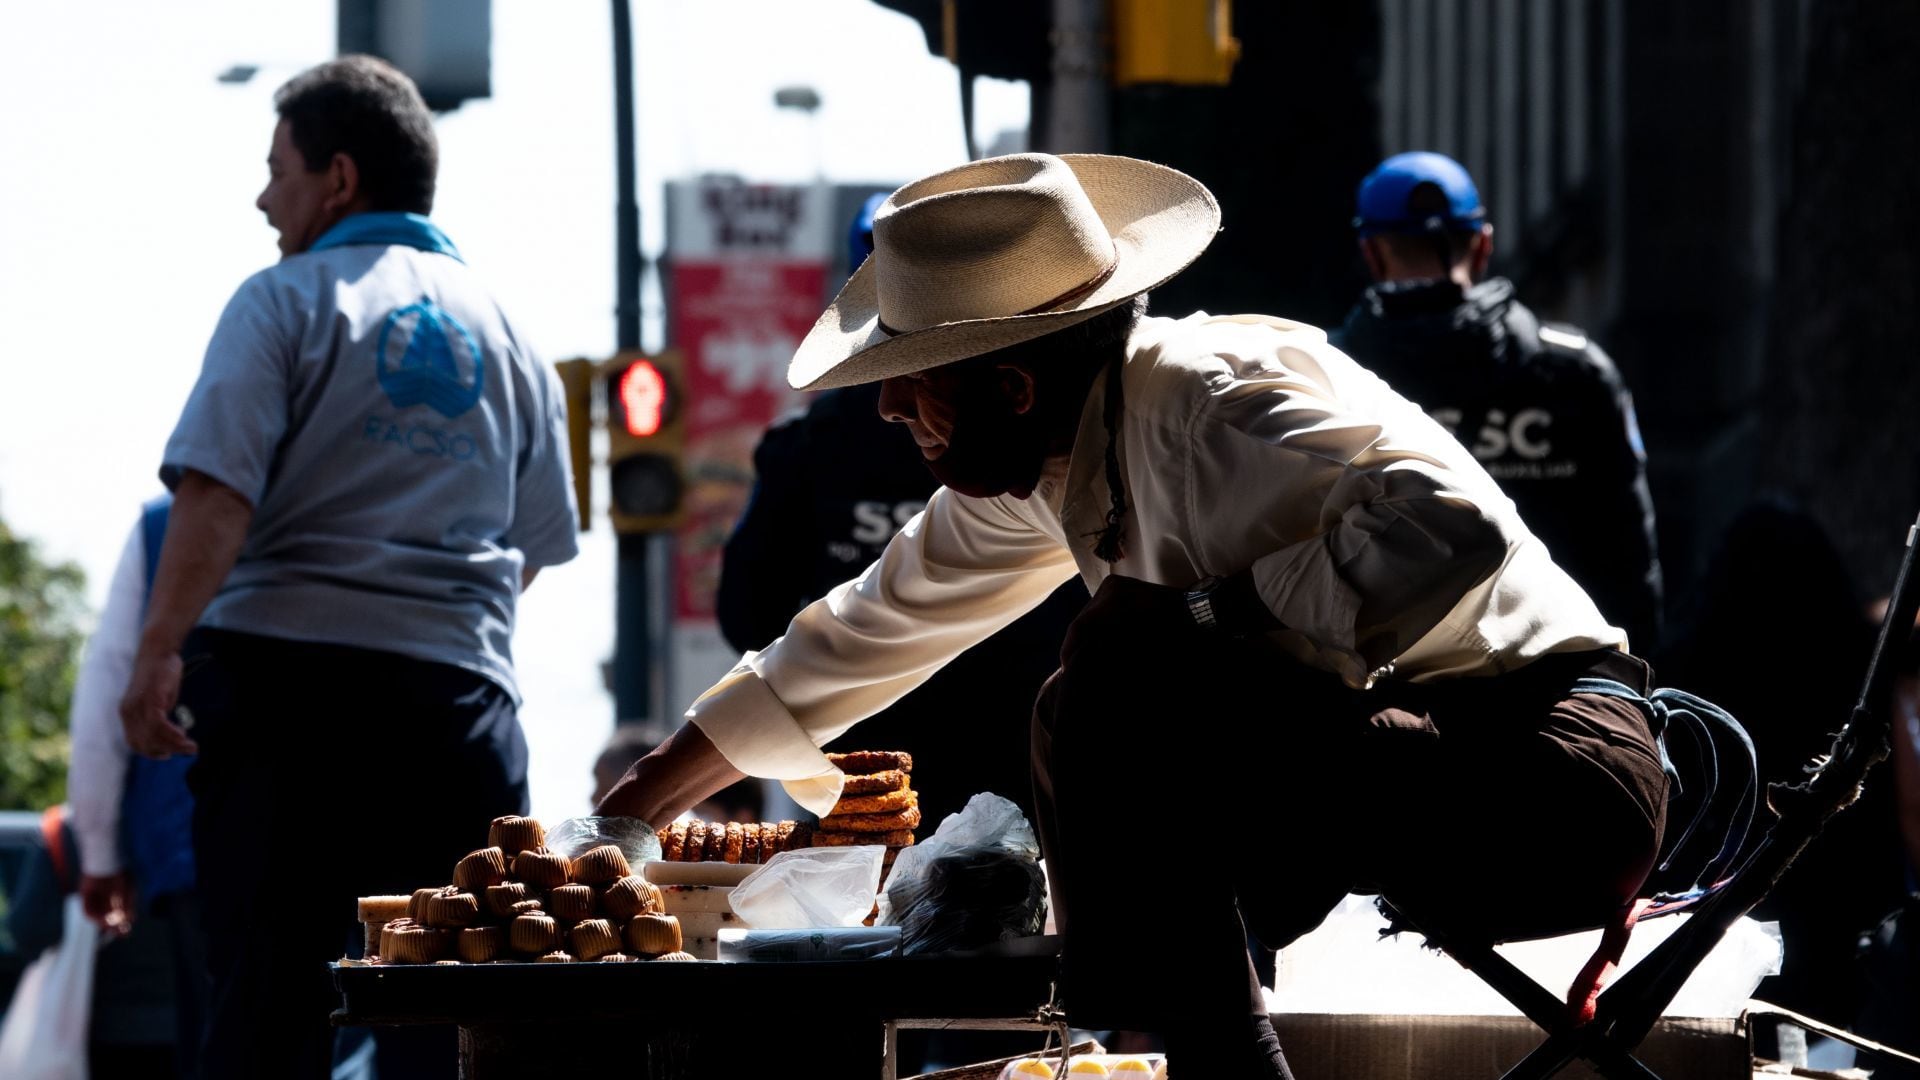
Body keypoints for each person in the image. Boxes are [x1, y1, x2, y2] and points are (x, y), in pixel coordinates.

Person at [600, 152, 1668, 1079]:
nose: (887, 408)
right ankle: (1153, 1038)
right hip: (1400, 774)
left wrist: (1207, 613)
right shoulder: (1055, 465)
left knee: (1118, 668)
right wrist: (629, 816)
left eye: (913, 378)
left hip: (1552, 780)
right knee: (1125, 680)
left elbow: (1452, 532)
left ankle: (1201, 1062)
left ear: (1013, 387)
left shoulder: (1211, 401)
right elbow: (858, 634)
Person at [117, 56, 579, 1080]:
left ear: (337, 177)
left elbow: (216, 494)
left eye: (275, 169)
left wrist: (156, 653)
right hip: (458, 715)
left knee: (269, 1002)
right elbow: (534, 548)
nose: (261, 196)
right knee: (457, 1012)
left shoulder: (282, 299)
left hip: (285, 700)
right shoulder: (514, 339)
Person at [716, 193, 1082, 834]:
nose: (897, 410)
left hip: (873, 771)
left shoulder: (809, 448)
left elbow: (747, 610)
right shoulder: (1013, 445)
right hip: (979, 757)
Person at [1332, 151, 1664, 652]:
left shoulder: (1332, 375)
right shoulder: (1577, 370)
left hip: (1385, 685)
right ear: (1484, 245)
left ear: (1373, 254)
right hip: (1555, 674)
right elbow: (1629, 556)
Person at [66, 495, 209, 1078]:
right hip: (376, 824)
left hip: (201, 837)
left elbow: (107, 687)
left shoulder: (164, 524)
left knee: (228, 1037)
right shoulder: (372, 486)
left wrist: (100, 854)